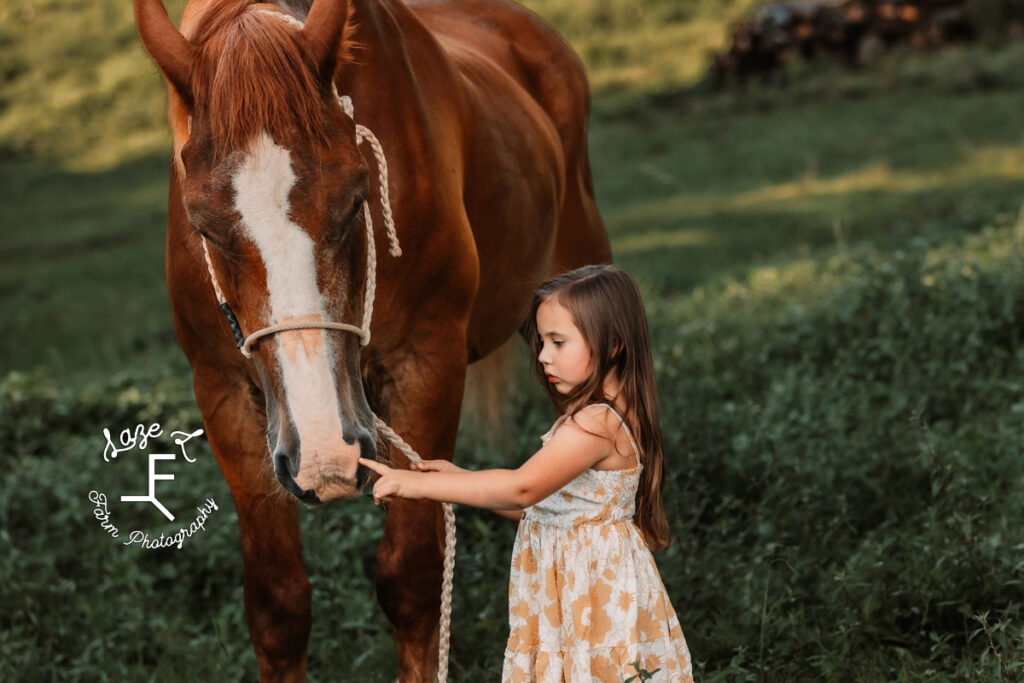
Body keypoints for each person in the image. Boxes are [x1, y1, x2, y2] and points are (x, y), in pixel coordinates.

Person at [360, 264, 693, 682]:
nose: (542, 355)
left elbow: (521, 489)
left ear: (613, 345)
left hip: (591, 595)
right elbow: (539, 509)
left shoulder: (596, 423)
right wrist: (457, 480)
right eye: (541, 341)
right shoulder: (603, 414)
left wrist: (419, 484)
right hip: (577, 593)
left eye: (558, 342)